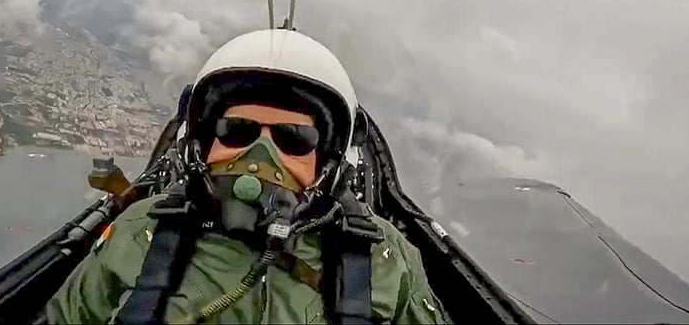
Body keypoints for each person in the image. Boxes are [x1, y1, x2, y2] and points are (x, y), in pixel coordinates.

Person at [47, 29, 449, 324]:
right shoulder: (140, 229)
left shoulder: (385, 257)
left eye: (294, 138)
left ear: (327, 162)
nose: (258, 157)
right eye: (235, 130)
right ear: (204, 144)